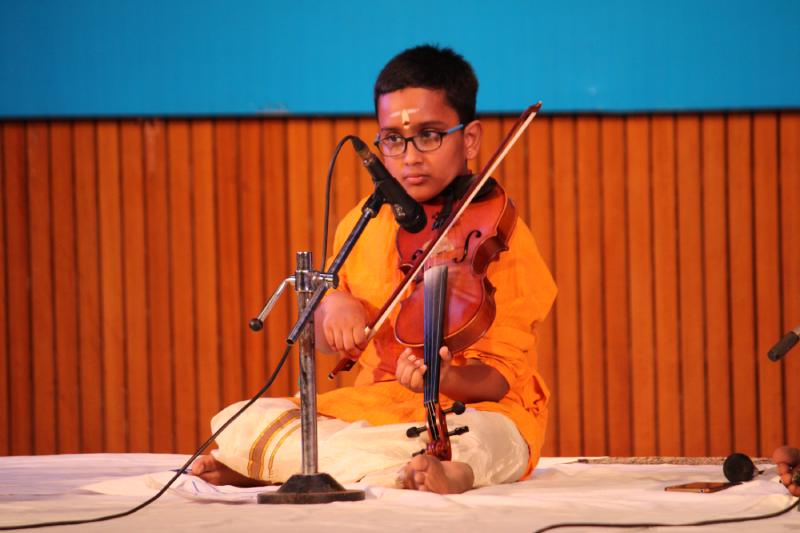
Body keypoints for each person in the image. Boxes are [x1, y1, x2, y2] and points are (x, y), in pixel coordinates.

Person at [191, 45, 557, 494]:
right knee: (243, 419)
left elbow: (498, 381)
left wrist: (442, 379)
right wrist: (333, 305)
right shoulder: (364, 222)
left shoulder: (500, 236)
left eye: (429, 135)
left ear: (470, 140)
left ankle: (447, 469)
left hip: (472, 410)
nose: (410, 156)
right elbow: (326, 342)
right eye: (393, 140)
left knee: (492, 439)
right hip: (376, 410)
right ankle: (396, 468)